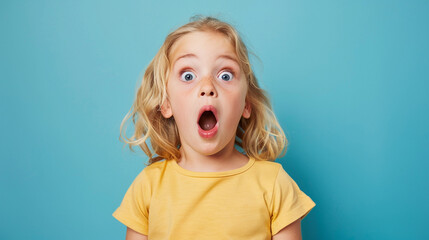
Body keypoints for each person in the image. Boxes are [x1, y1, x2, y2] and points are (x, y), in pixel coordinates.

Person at [112, 15, 316, 240]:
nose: (207, 87)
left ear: (246, 104)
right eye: (188, 75)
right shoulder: (148, 187)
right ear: (166, 103)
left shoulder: (275, 185)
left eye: (225, 75)